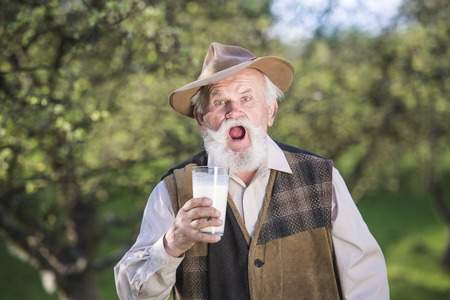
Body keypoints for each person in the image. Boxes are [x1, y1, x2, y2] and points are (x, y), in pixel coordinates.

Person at [114, 42, 389, 299]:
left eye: (247, 98)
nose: (235, 111)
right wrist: (171, 244)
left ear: (270, 111)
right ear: (201, 119)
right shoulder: (173, 190)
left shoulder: (321, 178)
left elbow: (366, 281)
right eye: (220, 102)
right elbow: (131, 293)